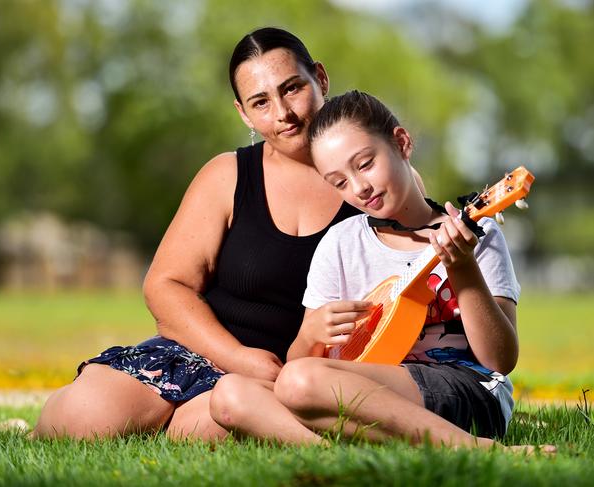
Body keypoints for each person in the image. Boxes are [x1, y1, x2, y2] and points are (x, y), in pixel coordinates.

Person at [34, 28, 427, 442]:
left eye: (292, 89)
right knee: (80, 418)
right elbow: (165, 286)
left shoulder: (377, 182)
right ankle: (40, 425)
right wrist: (237, 357)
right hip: (197, 353)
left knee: (200, 428)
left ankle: (179, 418)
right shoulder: (227, 175)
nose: (282, 113)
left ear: (321, 79)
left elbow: (409, 285)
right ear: (244, 114)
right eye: (261, 102)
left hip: (291, 379)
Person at [249, 90, 550, 451]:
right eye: (340, 182)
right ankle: (374, 443)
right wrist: (309, 334)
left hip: (468, 391)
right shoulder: (340, 244)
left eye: (364, 164)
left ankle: (475, 448)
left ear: (402, 142)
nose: (360, 188)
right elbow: (299, 366)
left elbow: (500, 360)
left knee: (298, 383)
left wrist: (464, 270)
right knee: (234, 395)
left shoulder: (476, 235)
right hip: (371, 389)